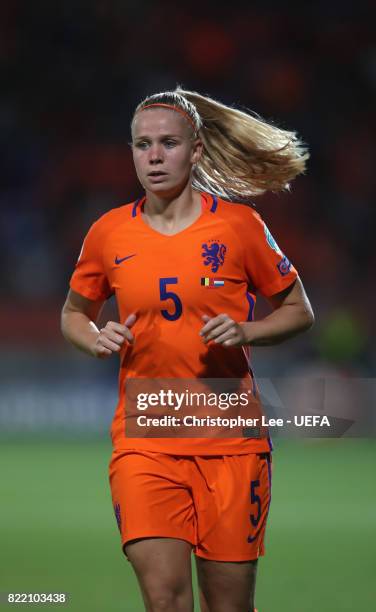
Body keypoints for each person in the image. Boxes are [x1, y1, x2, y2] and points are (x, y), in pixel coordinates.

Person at [61, 87, 314, 612]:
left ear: (195, 150)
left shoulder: (240, 227)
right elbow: (73, 315)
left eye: (168, 143)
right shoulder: (109, 232)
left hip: (231, 441)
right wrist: (93, 338)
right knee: (166, 601)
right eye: (142, 144)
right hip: (145, 436)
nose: (154, 156)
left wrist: (249, 332)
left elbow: (298, 312)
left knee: (228, 606)